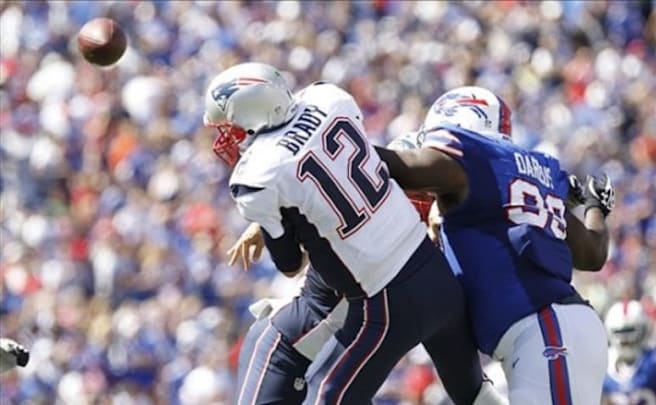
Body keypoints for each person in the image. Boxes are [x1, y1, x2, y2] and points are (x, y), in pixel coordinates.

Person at [203, 63, 503, 404]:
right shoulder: (328, 100)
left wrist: (272, 217)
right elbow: (339, 169)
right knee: (477, 396)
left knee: (313, 382)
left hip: (380, 301)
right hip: (435, 284)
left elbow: (290, 262)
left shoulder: (263, 172)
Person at [375, 86, 616, 404]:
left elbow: (408, 167)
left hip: (546, 333)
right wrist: (596, 208)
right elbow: (592, 253)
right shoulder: (532, 171)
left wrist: (332, 148)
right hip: (550, 332)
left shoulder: (473, 159)